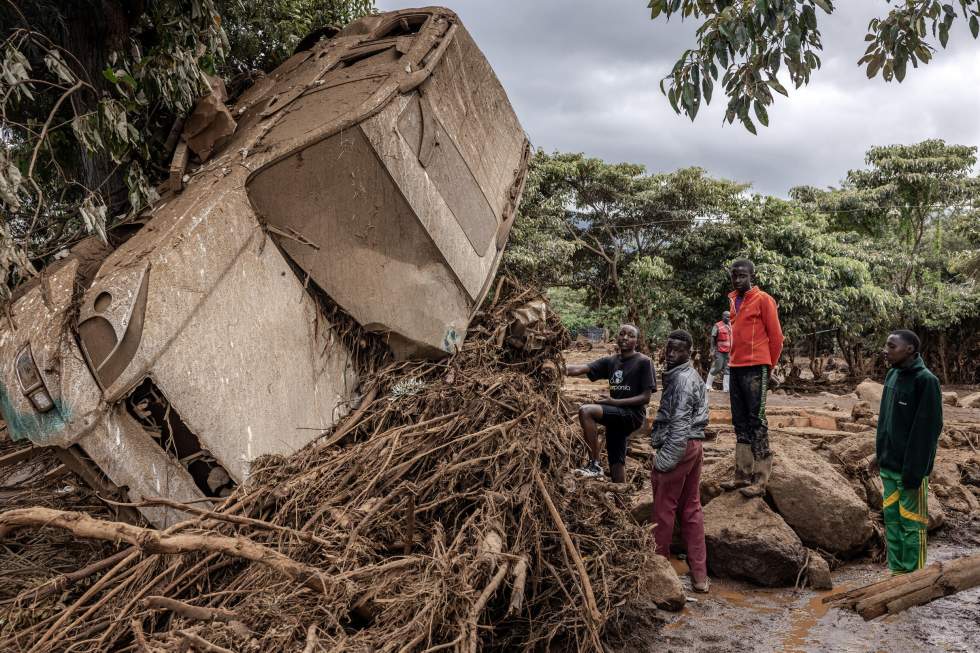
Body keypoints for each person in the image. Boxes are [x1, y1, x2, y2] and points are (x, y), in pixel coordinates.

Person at [878, 329, 943, 574]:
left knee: (912, 524)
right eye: (887, 345)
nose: (886, 350)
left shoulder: (926, 381)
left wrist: (914, 472)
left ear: (909, 350)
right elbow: (886, 421)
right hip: (888, 466)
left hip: (910, 471)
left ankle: (913, 577)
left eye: (892, 346)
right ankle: (896, 572)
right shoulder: (892, 374)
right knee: (892, 521)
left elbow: (928, 431)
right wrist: (879, 454)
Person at [649, 329, 709, 592]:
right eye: (669, 348)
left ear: (689, 352)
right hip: (695, 446)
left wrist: (662, 462)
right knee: (692, 510)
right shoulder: (690, 375)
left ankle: (658, 574)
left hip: (680, 447)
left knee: (664, 510)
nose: (671, 354)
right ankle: (699, 576)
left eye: (677, 350)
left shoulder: (683, 382)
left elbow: (680, 426)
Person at [720, 259, 783, 497]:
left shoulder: (763, 299)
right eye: (734, 276)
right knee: (740, 421)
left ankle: (761, 479)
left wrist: (769, 366)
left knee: (757, 420)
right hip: (735, 366)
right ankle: (741, 475)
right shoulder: (733, 301)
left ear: (751, 276)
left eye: (742, 276)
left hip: (757, 367)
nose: (738, 280)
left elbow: (777, 338)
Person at [566, 324, 655, 483]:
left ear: (637, 340)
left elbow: (646, 397)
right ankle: (621, 498)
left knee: (586, 411)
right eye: (622, 334)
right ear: (617, 337)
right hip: (616, 417)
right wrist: (557, 367)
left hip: (632, 414)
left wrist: (614, 402)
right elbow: (580, 369)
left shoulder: (644, 362)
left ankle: (594, 465)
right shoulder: (611, 361)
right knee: (616, 462)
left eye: (630, 335)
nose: (625, 338)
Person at [705, 310, 732, 392]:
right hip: (720, 351)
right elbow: (713, 338)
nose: (728, 318)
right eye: (726, 316)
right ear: (723, 317)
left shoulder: (731, 325)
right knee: (717, 367)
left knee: (728, 369)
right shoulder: (717, 325)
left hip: (729, 351)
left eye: (729, 317)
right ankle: (708, 386)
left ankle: (726, 388)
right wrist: (712, 349)